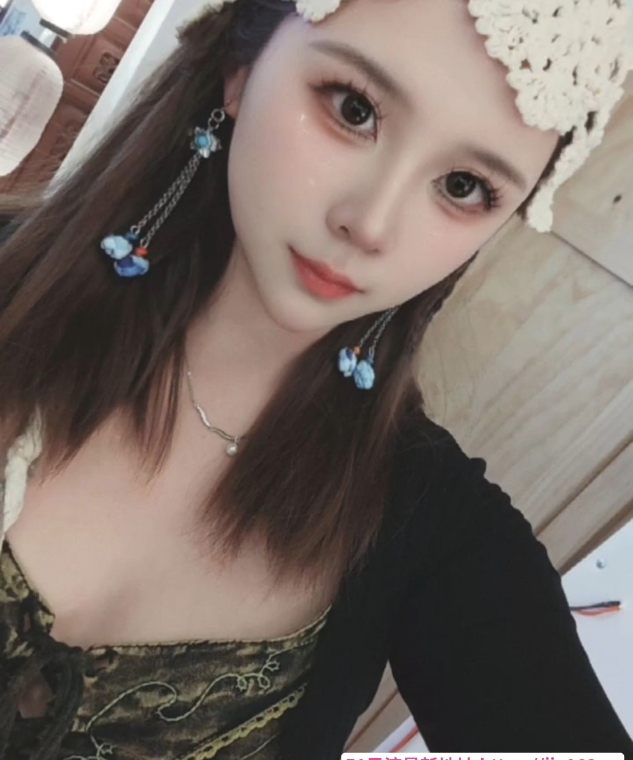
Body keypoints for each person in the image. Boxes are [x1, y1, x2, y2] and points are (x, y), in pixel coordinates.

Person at [0, 0, 632, 757]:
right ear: (242, 69)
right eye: (354, 109)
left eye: (464, 186)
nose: (371, 223)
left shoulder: (439, 534)